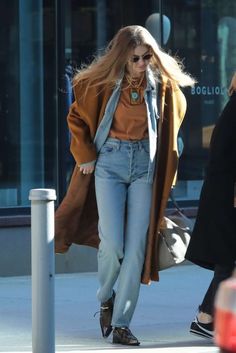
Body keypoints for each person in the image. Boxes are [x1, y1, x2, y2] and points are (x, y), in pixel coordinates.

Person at [55, 25, 195, 346]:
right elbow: (75, 117)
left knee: (136, 250)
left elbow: (176, 121)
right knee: (113, 244)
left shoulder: (162, 86)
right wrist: (85, 154)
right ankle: (106, 297)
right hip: (110, 163)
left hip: (145, 166)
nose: (143, 63)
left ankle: (121, 323)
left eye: (148, 57)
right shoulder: (100, 83)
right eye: (136, 58)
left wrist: (167, 168)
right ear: (122, 56)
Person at [185, 75, 236, 340]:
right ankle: (206, 317)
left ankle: (207, 317)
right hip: (227, 195)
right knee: (228, 259)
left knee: (229, 259)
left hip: (224, 193)